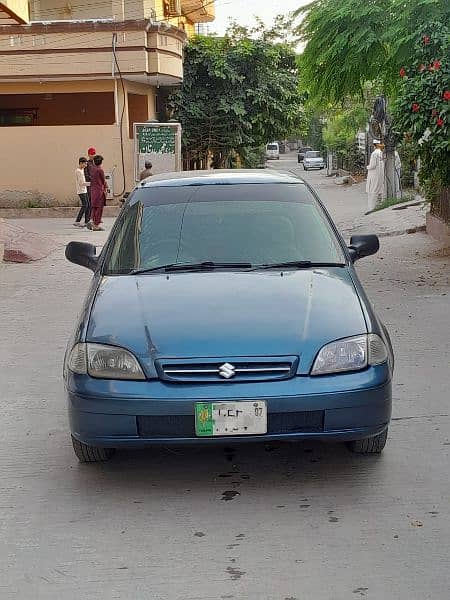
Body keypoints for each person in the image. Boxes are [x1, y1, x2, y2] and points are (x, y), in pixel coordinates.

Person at [366, 139, 385, 212]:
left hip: (374, 175)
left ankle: (371, 208)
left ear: (374, 145)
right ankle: (378, 207)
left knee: (372, 191)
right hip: (380, 174)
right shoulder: (381, 153)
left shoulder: (374, 154)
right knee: (379, 190)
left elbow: (373, 165)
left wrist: (367, 167)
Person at [89, 155, 107, 231]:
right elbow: (103, 180)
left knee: (94, 207)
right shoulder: (100, 170)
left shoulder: (92, 169)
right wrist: (106, 187)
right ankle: (96, 225)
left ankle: (93, 221)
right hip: (99, 190)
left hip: (93, 190)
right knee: (99, 208)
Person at [74, 157, 90, 227]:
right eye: (85, 164)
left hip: (84, 190)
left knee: (88, 205)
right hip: (81, 191)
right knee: (85, 205)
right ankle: (77, 221)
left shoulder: (82, 170)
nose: (86, 165)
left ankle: (87, 221)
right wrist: (91, 183)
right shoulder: (78, 171)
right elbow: (81, 183)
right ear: (81, 163)